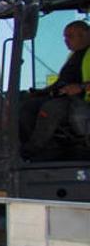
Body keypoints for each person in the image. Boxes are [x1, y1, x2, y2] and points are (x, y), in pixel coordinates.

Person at [21, 20, 90, 158]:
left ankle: (37, 149)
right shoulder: (74, 55)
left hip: (82, 100)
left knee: (51, 108)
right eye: (65, 37)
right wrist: (41, 92)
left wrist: (80, 87)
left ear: (84, 35)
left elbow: (77, 84)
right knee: (26, 105)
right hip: (66, 96)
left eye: (70, 36)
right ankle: (35, 146)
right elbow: (62, 81)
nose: (66, 41)